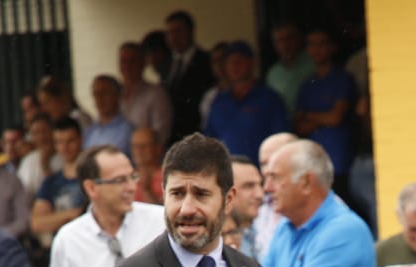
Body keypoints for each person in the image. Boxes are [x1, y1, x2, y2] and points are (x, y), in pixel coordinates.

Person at [101, 134, 268, 267]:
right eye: (177, 194)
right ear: (164, 195)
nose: (187, 209)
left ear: (228, 200)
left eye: (201, 194)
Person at [261, 139, 376, 267]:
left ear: (306, 182)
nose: (267, 188)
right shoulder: (285, 227)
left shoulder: (344, 229)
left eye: (275, 177)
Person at [204, 41, 289, 163]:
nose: (234, 66)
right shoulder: (219, 101)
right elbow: (209, 141)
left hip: (260, 174)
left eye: (239, 61)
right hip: (227, 175)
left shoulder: (269, 99)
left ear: (251, 63)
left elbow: (282, 141)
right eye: (230, 62)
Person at [294, 29, 358, 191]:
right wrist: (324, 118)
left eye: (321, 44)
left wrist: (310, 116)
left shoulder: (343, 78)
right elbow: (300, 126)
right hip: (315, 163)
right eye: (311, 45)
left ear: (332, 47)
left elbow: (336, 118)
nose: (316, 49)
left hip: (341, 160)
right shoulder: (307, 84)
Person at [31, 117, 88, 237]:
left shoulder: (93, 175)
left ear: (81, 140)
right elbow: (36, 223)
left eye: (70, 141)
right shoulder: (50, 182)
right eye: (60, 142)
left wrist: (55, 218)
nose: (65, 147)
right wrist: (72, 214)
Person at [164, 10, 215, 141]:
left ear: (191, 31)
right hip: (172, 136)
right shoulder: (166, 63)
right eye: (170, 33)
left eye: (178, 31)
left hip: (196, 134)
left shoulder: (206, 61)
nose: (174, 37)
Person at [119, 41, 173, 150]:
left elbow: (162, 133)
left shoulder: (156, 93)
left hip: (146, 159)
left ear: (143, 63)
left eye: (132, 61)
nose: (128, 66)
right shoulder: (114, 94)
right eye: (123, 61)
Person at [253, 132, 297, 260]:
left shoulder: (319, 208)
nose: (267, 170)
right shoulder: (260, 204)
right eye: (263, 164)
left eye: (273, 162)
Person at [266, 21, 314, 119]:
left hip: (310, 123)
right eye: (279, 40)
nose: (285, 44)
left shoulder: (313, 64)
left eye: (289, 38)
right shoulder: (273, 73)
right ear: (275, 45)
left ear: (298, 39)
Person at [84, 74, 136, 156]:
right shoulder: (89, 132)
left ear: (117, 95)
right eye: (96, 94)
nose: (99, 98)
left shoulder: (129, 130)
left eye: (104, 93)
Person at [17, 114, 61, 200]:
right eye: (36, 133)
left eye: (45, 131)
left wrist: (45, 163)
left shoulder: (64, 155)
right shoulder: (28, 161)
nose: (42, 137)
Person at [228, 155, 264, 258]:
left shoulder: (256, 233)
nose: (260, 194)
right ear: (227, 192)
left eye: (260, 185)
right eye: (249, 186)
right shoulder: (211, 243)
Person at [132, 126, 167, 204]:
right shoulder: (126, 176)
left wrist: (147, 190)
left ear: (158, 148)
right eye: (135, 146)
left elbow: (165, 213)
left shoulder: (169, 177)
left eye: (145, 145)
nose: (139, 150)